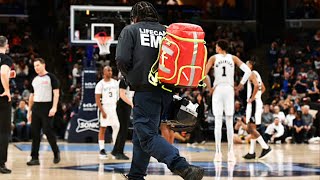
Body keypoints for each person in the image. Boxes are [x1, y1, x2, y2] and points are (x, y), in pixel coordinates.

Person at [116, 1, 204, 179]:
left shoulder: (130, 30)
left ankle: (183, 167)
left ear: (134, 18)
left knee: (147, 136)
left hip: (145, 91)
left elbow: (121, 59)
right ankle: (136, 175)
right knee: (143, 134)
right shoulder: (166, 30)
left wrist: (129, 77)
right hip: (166, 91)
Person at [204, 39, 251, 162]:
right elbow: (248, 71)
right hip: (229, 89)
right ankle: (230, 153)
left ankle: (218, 153)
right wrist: (241, 85)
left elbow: (204, 74)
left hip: (218, 89)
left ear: (219, 47)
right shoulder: (233, 58)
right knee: (229, 121)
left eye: (216, 46)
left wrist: (209, 88)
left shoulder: (214, 58)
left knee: (218, 121)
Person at [26, 58, 60, 166]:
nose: (36, 68)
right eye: (35, 66)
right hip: (36, 107)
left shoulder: (51, 77)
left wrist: (54, 107)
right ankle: (34, 158)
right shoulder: (34, 79)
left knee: (47, 130)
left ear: (43, 65)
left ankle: (56, 152)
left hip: (47, 106)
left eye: (38, 65)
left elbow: (56, 93)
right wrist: (29, 111)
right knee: (35, 133)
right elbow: (31, 96)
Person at [242, 60, 271, 160]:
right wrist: (258, 96)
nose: (245, 66)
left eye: (246, 64)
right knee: (252, 127)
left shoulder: (251, 73)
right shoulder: (257, 73)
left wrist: (253, 97)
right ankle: (251, 152)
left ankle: (265, 147)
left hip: (254, 104)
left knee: (250, 128)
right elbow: (263, 88)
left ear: (250, 65)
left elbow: (257, 86)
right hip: (257, 102)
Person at [95, 66, 120, 159]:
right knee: (103, 128)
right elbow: (97, 100)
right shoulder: (100, 84)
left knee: (117, 126)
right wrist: (102, 111)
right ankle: (102, 150)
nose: (110, 72)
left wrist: (115, 107)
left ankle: (115, 148)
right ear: (104, 72)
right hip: (104, 107)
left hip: (113, 107)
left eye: (111, 70)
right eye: (108, 70)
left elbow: (117, 97)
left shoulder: (115, 83)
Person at [111, 77, 134, 160]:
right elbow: (122, 95)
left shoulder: (129, 80)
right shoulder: (123, 81)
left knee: (123, 129)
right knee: (123, 130)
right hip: (123, 106)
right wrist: (132, 104)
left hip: (126, 106)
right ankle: (119, 152)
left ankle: (115, 150)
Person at [0, 36, 13, 173]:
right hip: (2, 98)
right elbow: (3, 72)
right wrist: (7, 90)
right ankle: (1, 164)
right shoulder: (5, 59)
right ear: (6, 45)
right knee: (3, 132)